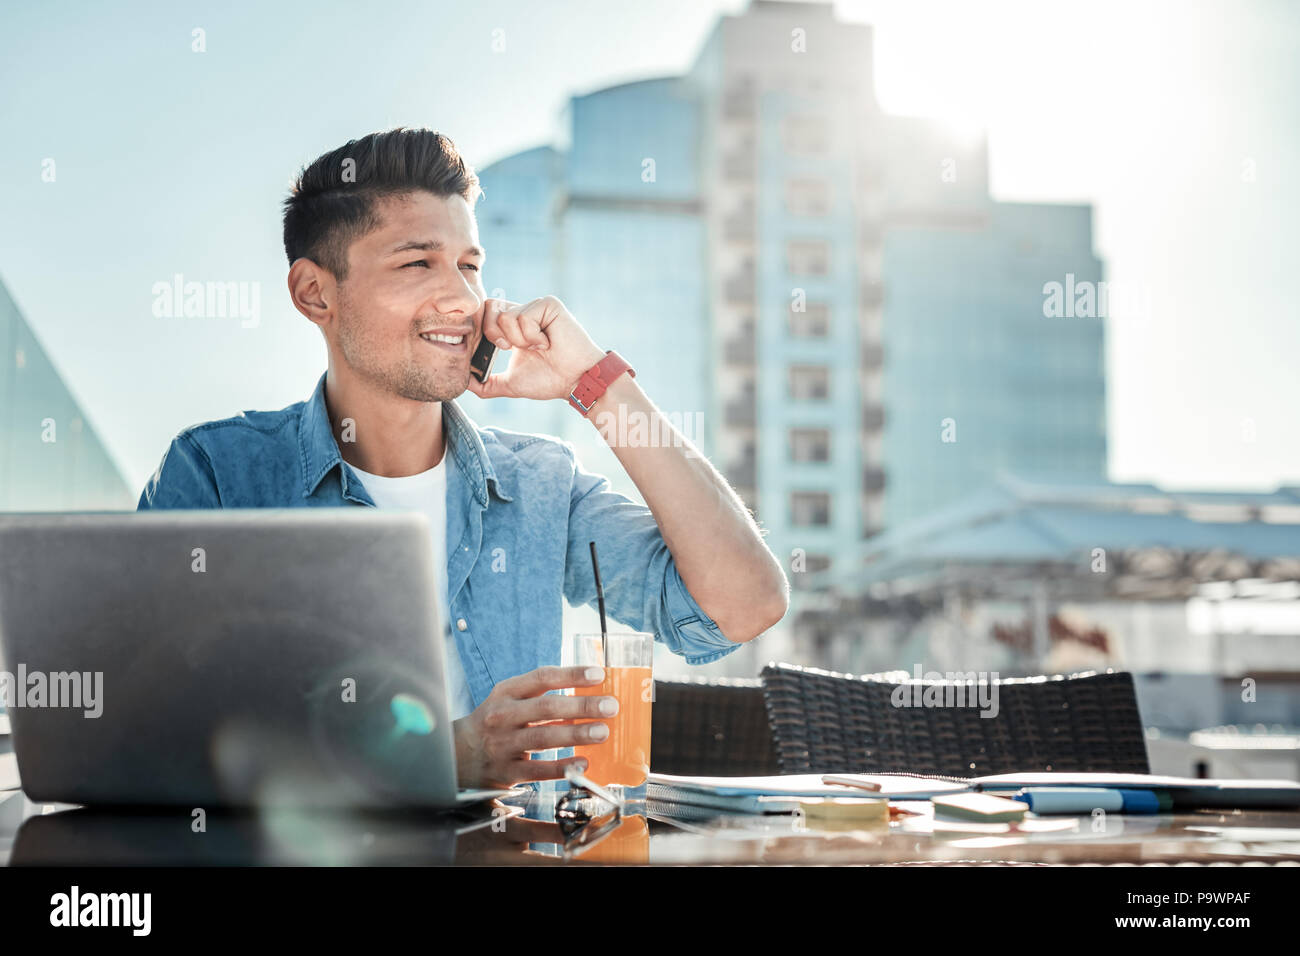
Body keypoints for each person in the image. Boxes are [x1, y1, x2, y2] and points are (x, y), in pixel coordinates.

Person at [138, 127, 789, 789]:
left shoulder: (539, 483)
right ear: (315, 294)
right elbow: (152, 732)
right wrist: (448, 758)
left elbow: (744, 606)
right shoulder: (219, 474)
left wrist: (595, 383)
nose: (463, 299)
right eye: (417, 264)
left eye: (470, 266)